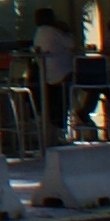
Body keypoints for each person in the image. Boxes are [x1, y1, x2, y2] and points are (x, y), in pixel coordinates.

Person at [31, 14, 80, 142]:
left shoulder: (38, 33)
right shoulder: (55, 32)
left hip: (46, 73)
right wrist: (67, 32)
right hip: (62, 71)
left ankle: (50, 133)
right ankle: (62, 130)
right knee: (62, 102)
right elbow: (71, 44)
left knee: (52, 103)